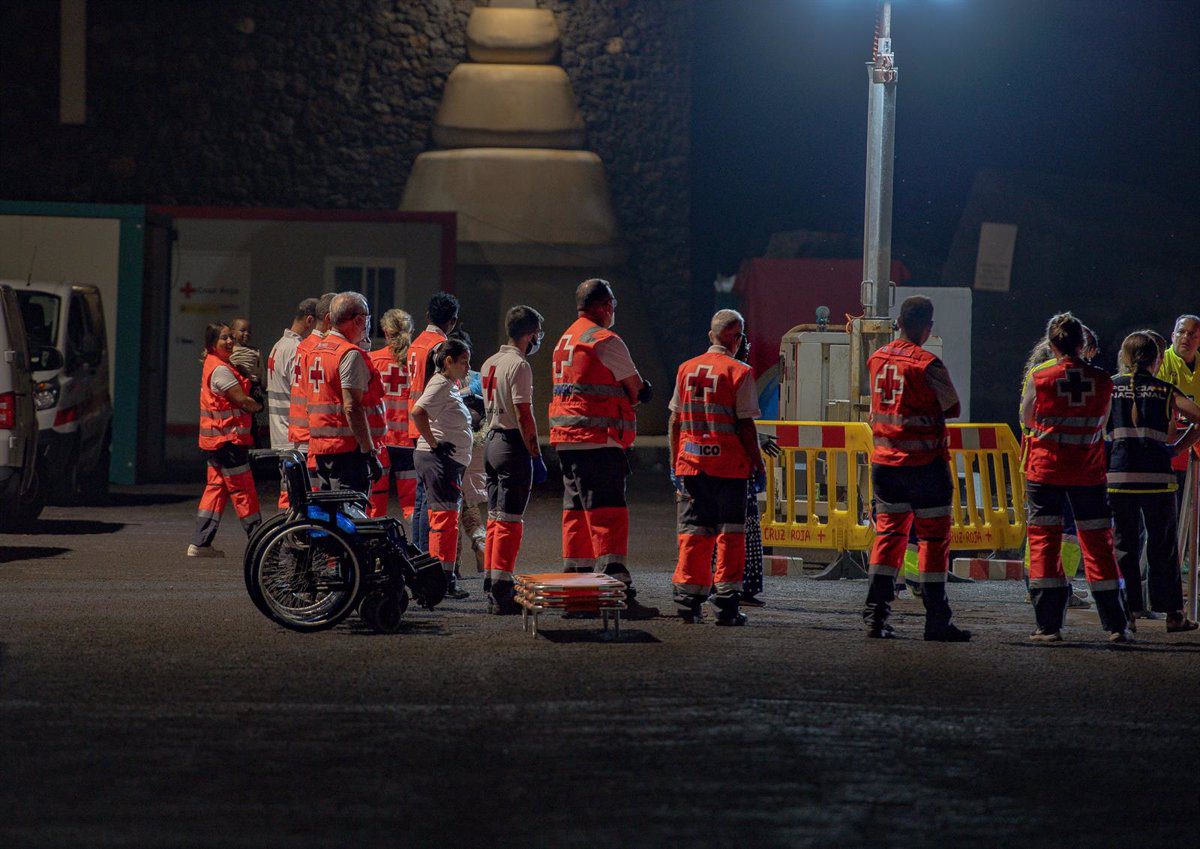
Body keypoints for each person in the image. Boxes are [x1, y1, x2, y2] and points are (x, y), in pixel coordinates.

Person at [860, 296, 969, 641]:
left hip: (885, 465)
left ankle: (875, 616)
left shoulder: (876, 358)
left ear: (899, 322)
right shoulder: (927, 363)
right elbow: (952, 407)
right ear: (927, 326)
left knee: (889, 537)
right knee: (933, 541)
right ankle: (936, 621)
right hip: (926, 467)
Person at [549, 278, 658, 618]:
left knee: (577, 516)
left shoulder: (565, 339)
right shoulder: (605, 340)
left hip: (567, 441)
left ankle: (577, 594)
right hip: (598, 440)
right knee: (608, 516)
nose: (613, 310)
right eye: (611, 303)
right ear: (600, 305)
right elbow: (637, 389)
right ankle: (617, 592)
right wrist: (640, 392)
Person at [1022, 312, 1132, 643]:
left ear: (1052, 344)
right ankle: (1116, 625)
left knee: (1045, 544)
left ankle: (1048, 627)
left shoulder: (1040, 376)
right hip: (1089, 471)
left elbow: (1026, 417)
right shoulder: (1102, 380)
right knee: (1098, 545)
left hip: (1045, 470)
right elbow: (1102, 423)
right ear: (1083, 344)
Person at [668, 309, 763, 626]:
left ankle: (688, 602)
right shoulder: (740, 372)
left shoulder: (686, 369)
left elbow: (675, 421)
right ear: (736, 337)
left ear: (712, 335)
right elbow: (746, 425)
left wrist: (675, 463)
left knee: (694, 536)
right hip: (729, 469)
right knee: (730, 537)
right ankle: (726, 605)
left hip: (692, 467)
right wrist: (758, 465)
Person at [1107, 331, 1200, 632]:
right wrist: (1178, 447)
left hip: (1119, 478)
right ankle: (1174, 615)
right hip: (1159, 480)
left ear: (1125, 357)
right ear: (1158, 359)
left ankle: (1127, 615)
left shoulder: (1110, 388)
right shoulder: (1165, 390)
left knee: (1124, 547)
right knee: (1163, 547)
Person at [479, 305, 548, 615]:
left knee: (494, 518)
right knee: (510, 521)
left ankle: (492, 580)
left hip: (491, 442)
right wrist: (535, 453)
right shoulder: (519, 365)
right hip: (511, 444)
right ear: (530, 334)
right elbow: (523, 412)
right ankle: (503, 589)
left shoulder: (490, 362)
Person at [1018, 338, 1091, 611]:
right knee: (1069, 530)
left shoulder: (1037, 372)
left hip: (1038, 459)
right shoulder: (1083, 374)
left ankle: (1034, 585)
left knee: (1040, 527)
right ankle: (1064, 587)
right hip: (1074, 462)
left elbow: (1026, 417)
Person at [188, 322, 263, 557]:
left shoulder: (216, 365)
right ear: (212, 344)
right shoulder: (221, 370)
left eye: (231, 337)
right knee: (244, 491)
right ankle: (259, 540)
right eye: (224, 338)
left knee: (216, 489)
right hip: (229, 441)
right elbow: (242, 400)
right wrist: (258, 405)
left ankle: (200, 543)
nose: (230, 341)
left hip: (217, 441)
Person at [410, 337, 473, 600]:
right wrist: (435, 444)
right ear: (449, 361)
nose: (468, 367)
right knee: (444, 521)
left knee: (444, 519)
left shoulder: (448, 384)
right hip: (438, 461)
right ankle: (442, 579)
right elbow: (418, 412)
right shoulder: (439, 384)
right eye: (464, 362)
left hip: (444, 461)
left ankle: (442, 576)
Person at [306, 292, 385, 495]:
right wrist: (369, 451)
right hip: (348, 450)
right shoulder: (348, 354)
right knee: (349, 513)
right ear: (358, 320)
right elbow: (352, 407)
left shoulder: (315, 350)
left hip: (322, 448)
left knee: (330, 514)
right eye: (367, 318)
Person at [407, 293, 460, 552]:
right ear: (453, 321)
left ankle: (418, 554)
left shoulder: (416, 343)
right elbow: (443, 387)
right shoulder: (442, 347)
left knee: (420, 500)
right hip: (432, 428)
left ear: (427, 316)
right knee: (431, 502)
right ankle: (428, 558)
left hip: (415, 425)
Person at [368, 308, 417, 519]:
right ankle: (420, 547)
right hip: (409, 441)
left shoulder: (372, 360)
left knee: (375, 502)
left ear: (386, 332)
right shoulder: (417, 362)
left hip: (380, 441)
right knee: (413, 505)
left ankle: (372, 547)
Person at [1156, 314, 1200, 495]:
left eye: (1192, 334)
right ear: (1173, 335)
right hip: (1170, 441)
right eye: (1181, 332)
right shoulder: (1161, 362)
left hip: (1195, 441)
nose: (1186, 338)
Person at [266, 298, 318, 450]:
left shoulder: (280, 344)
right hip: (293, 439)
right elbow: (304, 394)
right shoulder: (298, 350)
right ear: (309, 320)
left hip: (279, 436)